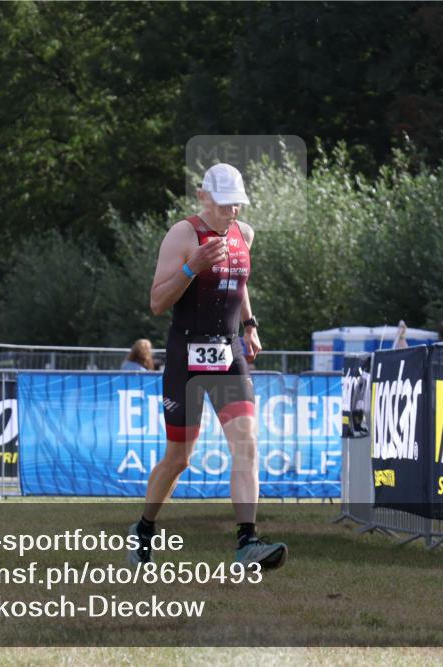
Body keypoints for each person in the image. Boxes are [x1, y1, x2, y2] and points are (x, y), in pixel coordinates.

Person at [129, 163, 287, 569]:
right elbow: (158, 302)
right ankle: (144, 528)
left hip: (229, 353)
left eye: (237, 205)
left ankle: (247, 542)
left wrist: (250, 325)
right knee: (179, 458)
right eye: (223, 205)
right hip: (186, 357)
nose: (231, 213)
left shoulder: (243, 234)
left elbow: (239, 280)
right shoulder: (182, 235)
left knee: (247, 443)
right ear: (203, 197)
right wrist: (191, 266)